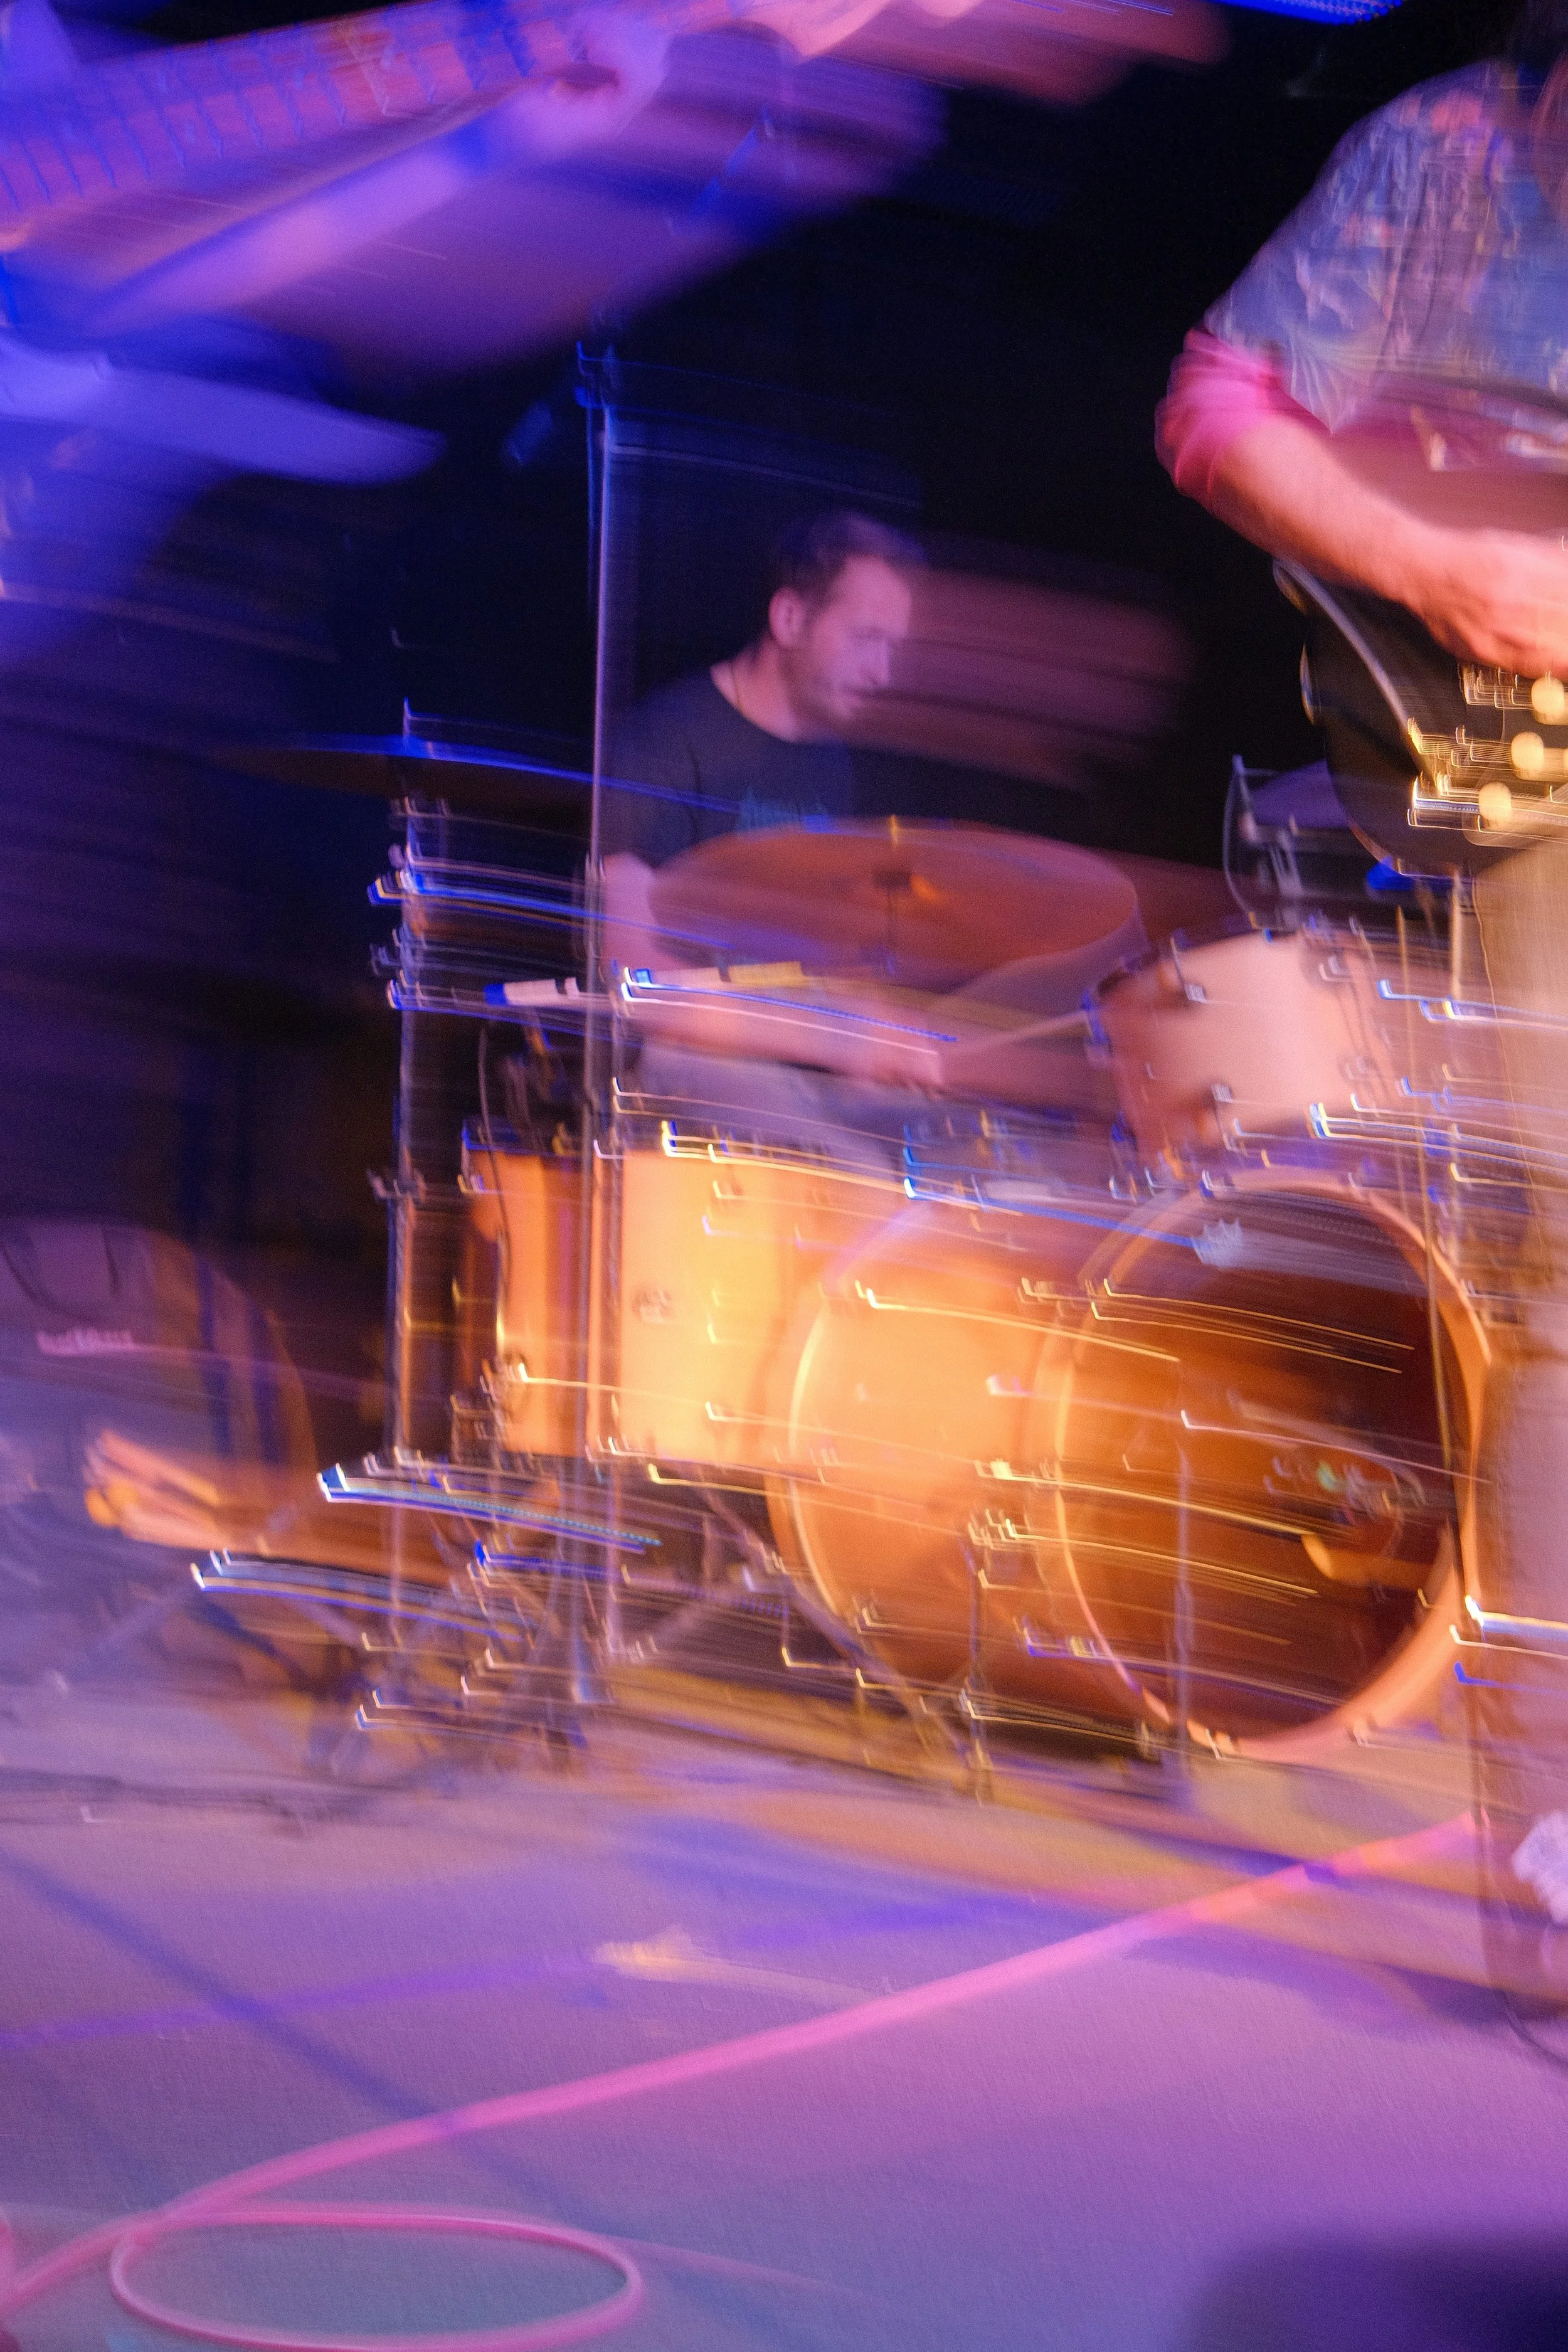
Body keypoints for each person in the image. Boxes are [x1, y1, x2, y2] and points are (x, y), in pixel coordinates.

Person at [1157, 0, 1568, 1997]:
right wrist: (1433, 568)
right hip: (1523, 756)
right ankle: (1556, 1848)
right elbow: (1219, 399)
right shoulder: (1450, 161)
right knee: (1564, 1277)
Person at [599, 506, 919, 872]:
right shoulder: (663, 740)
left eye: (891, 648)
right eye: (865, 639)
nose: (883, 673)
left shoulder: (834, 760)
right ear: (789, 619)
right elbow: (627, 923)